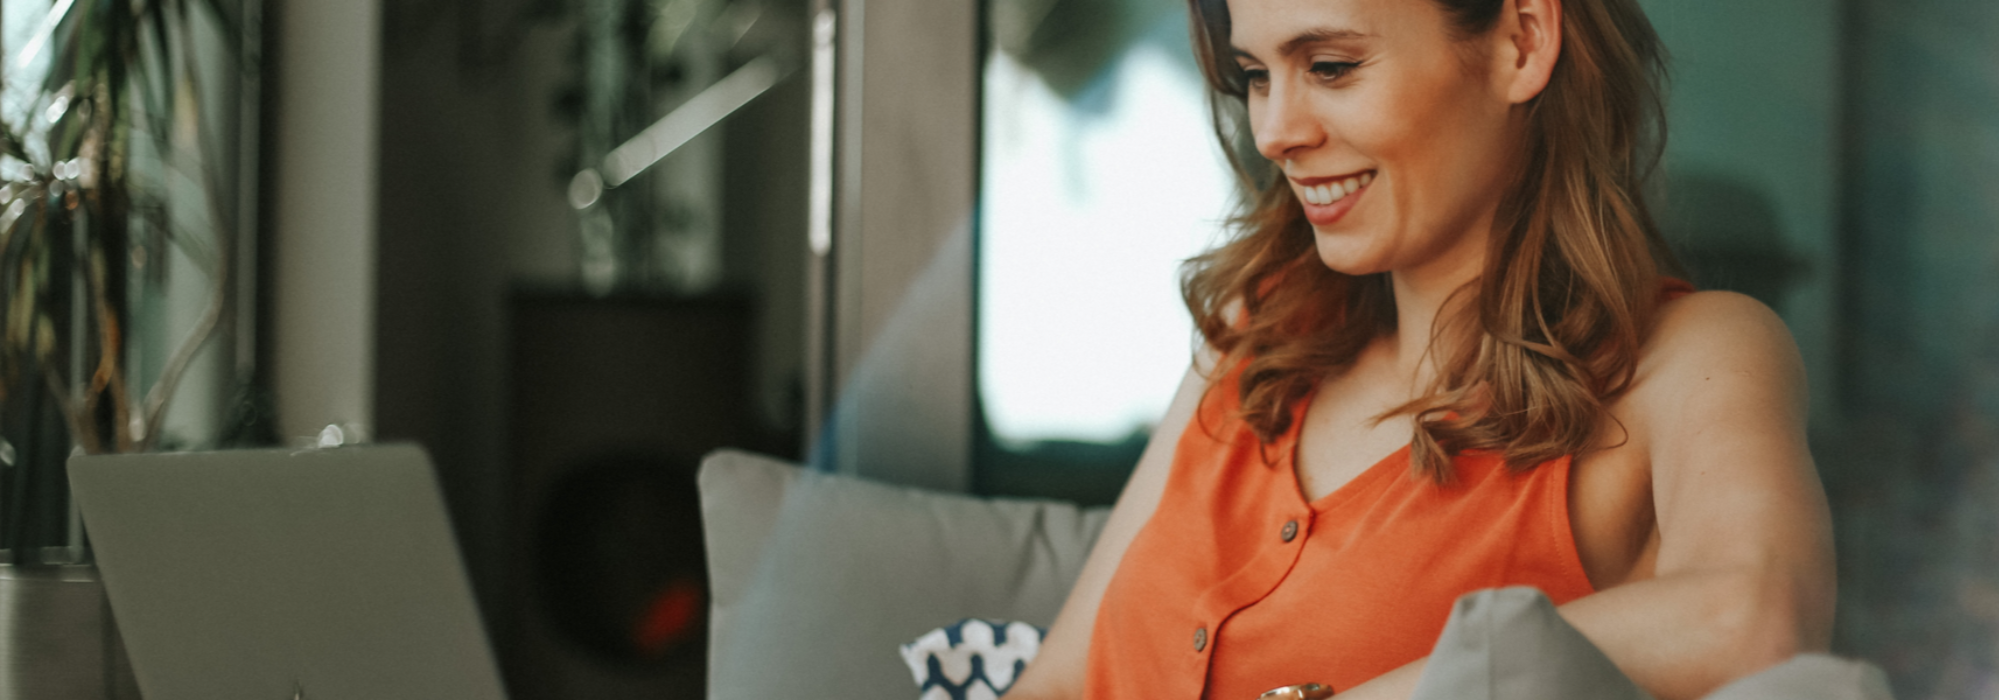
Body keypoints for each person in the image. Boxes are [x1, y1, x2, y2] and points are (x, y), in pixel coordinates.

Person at [1002, 0, 1836, 698]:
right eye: (1255, 76)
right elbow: (1061, 681)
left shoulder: (1691, 358)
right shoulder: (1252, 332)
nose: (1273, 131)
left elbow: (1756, 620)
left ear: (1521, 42)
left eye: (1329, 67)